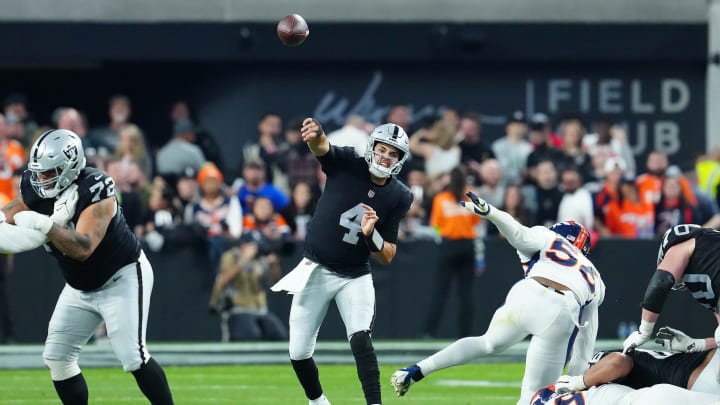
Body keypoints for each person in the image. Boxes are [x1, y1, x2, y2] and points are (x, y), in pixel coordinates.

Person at [0, 129, 174, 405]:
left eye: (49, 172)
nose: (41, 179)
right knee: (58, 358)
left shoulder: (96, 186)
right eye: (38, 172)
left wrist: (45, 224)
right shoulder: (35, 186)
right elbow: (9, 213)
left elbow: (83, 248)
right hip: (80, 285)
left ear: (70, 166)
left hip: (122, 276)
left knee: (133, 356)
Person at [391, 192, 605, 405]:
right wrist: (578, 381)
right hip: (560, 310)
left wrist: (491, 213)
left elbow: (518, 233)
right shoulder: (595, 276)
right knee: (532, 397)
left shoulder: (547, 236)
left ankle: (417, 370)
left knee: (487, 342)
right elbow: (585, 340)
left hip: (526, 293)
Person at [271, 118, 413, 405]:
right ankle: (318, 401)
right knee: (298, 352)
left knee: (361, 339)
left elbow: (387, 255)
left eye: (393, 153)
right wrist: (316, 133)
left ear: (400, 160)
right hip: (316, 268)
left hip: (354, 274)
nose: (385, 156)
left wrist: (371, 235)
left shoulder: (399, 195)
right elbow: (321, 147)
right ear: (372, 147)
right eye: (382, 149)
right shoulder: (348, 162)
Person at [532, 327, 719, 404]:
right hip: (695, 375)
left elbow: (617, 362)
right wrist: (578, 382)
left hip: (683, 383)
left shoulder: (600, 388)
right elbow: (617, 362)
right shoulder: (593, 385)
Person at [622, 223, 720, 354]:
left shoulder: (684, 245)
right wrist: (695, 345)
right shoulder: (708, 261)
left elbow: (661, 282)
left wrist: (644, 332)